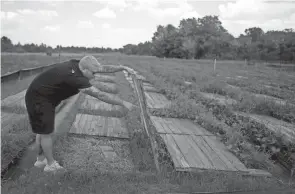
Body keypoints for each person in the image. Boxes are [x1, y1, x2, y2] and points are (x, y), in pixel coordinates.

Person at [25, 55, 136, 172]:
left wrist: (123, 68)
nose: (96, 75)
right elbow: (100, 95)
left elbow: (103, 68)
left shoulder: (80, 65)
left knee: (43, 131)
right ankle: (50, 165)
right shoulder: (76, 78)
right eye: (93, 73)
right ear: (85, 70)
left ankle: (41, 160)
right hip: (39, 99)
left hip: (43, 95)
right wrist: (122, 102)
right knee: (46, 133)